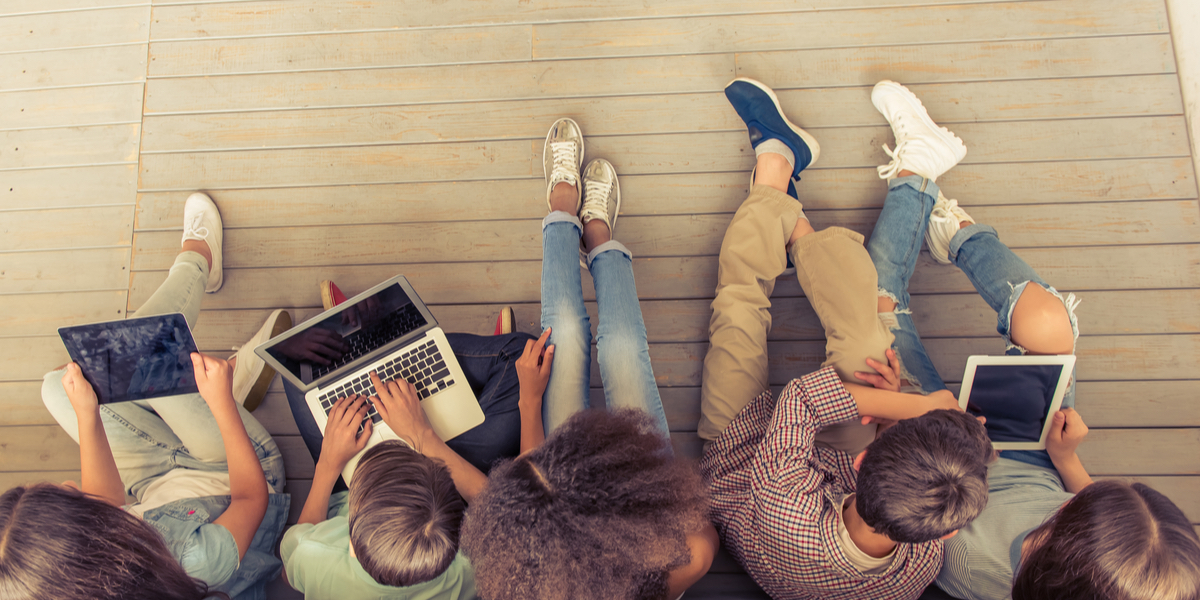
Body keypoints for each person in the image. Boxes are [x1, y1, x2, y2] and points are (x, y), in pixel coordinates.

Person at [847, 83, 1200, 600]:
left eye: (1058, 524)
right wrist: (1067, 458)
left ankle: (918, 172)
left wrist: (895, 416)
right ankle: (961, 237)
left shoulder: (971, 567)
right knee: (1046, 321)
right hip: (1033, 451)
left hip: (939, 471)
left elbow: (902, 501)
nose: (1065, 509)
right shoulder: (1140, 565)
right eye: (1077, 510)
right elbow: (1098, 504)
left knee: (873, 309)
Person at [697, 78, 995, 600]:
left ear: (864, 464)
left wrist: (920, 405)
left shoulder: (785, 508)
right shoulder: (920, 554)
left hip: (743, 462)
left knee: (738, 307)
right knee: (866, 343)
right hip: (829, 454)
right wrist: (892, 406)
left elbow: (801, 401)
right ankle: (798, 231)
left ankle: (776, 173)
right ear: (947, 533)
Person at [458, 118, 719, 600]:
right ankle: (597, 236)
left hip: (575, 501)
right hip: (644, 494)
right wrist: (653, 504)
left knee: (566, 335)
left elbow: (533, 479)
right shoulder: (672, 567)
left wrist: (529, 405)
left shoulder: (533, 570)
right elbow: (702, 542)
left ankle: (563, 209)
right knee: (620, 346)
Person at [4, 192, 291, 600]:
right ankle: (197, 260)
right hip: (237, 476)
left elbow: (105, 502)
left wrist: (89, 416)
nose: (64, 483)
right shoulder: (197, 563)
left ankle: (203, 385)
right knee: (146, 354)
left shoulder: (82, 577)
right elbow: (253, 495)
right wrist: (222, 406)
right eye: (52, 495)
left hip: (154, 481)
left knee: (58, 389)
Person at [278, 285, 539, 598]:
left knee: (296, 371)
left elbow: (289, 568)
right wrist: (423, 437)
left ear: (352, 540)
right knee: (519, 354)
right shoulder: (467, 567)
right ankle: (385, 344)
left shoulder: (318, 557)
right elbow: (507, 513)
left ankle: (363, 345)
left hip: (340, 469)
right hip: (440, 458)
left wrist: (329, 464)